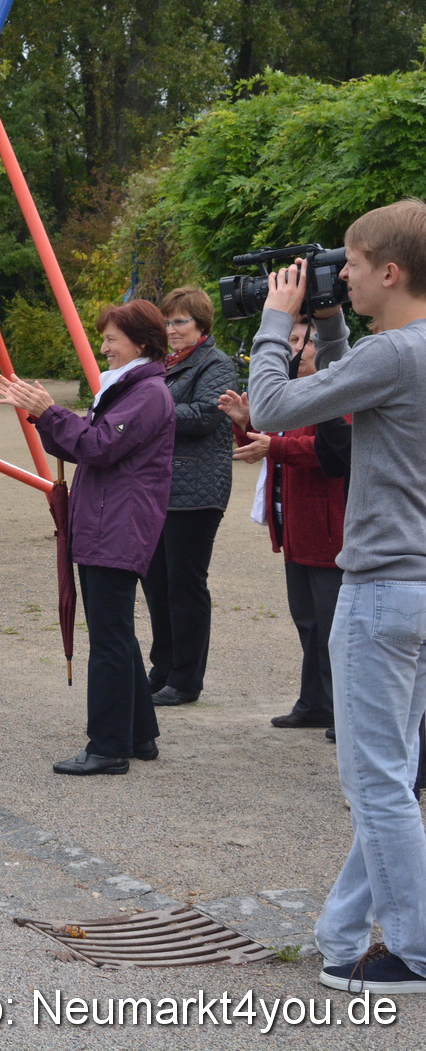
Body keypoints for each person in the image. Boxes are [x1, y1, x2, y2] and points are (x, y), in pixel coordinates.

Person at [246, 199, 426, 994]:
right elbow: (361, 383)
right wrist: (327, 323)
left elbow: (276, 407)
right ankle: (342, 931)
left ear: (390, 272)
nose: (338, 274)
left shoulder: (398, 356)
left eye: (349, 264)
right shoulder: (406, 351)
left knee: (374, 781)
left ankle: (417, 950)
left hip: (384, 588)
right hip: (416, 586)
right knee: (391, 770)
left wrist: (272, 321)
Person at [0, 300, 175, 776]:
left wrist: (48, 412)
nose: (104, 346)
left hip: (117, 523)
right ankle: (138, 735)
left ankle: (108, 747)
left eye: (112, 338)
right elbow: (90, 440)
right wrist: (45, 415)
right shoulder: (132, 388)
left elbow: (98, 445)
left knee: (110, 638)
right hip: (108, 521)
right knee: (117, 633)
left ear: (140, 342)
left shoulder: (147, 392)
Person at [220, 319, 347, 733]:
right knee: (308, 622)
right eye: (290, 340)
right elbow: (269, 447)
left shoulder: (340, 386)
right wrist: (247, 424)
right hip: (296, 527)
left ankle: (342, 711)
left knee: (333, 628)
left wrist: (273, 443)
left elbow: (332, 449)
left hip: (330, 530)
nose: (292, 350)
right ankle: (314, 703)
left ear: (318, 345)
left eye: (298, 341)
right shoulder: (297, 395)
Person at [143, 286, 238, 706]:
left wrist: (149, 407)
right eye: (166, 322)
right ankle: (162, 668)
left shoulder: (216, 363)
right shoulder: (160, 365)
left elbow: (204, 415)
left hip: (197, 492)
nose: (171, 329)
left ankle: (185, 680)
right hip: (158, 489)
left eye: (179, 321)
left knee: (184, 585)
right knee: (156, 583)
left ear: (201, 325)